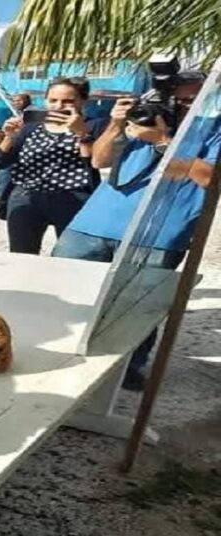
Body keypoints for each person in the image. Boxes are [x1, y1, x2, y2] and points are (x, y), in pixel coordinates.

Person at [52, 72, 214, 391]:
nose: (179, 105)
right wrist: (116, 124)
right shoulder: (141, 118)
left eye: (188, 99)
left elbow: (207, 177)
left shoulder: (214, 129)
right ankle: (59, 356)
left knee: (137, 308)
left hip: (159, 233)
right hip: (92, 224)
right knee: (64, 294)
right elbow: (99, 160)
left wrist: (163, 141)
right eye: (174, 98)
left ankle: (126, 369)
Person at [0, 76, 107, 254]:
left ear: (83, 101)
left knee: (72, 254)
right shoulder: (31, 127)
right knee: (22, 255)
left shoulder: (94, 125)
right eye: (53, 100)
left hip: (73, 198)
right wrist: (9, 137)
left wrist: (82, 133)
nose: (58, 106)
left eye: (67, 101)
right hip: (26, 197)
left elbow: (96, 162)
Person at [0, 93, 31, 201]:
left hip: (24, 145)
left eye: (19, 100)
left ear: (26, 101)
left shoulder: (30, 113)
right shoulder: (19, 113)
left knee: (5, 168)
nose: (16, 103)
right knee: (4, 167)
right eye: (14, 101)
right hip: (14, 143)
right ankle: (2, 192)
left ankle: (2, 193)